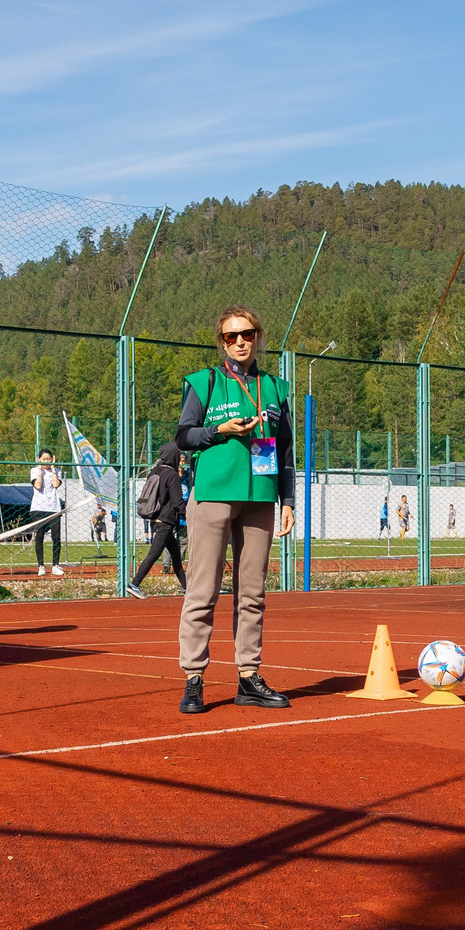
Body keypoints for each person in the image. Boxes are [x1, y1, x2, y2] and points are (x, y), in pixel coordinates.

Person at [175, 305, 297, 713]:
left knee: (253, 593)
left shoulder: (277, 389)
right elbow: (183, 438)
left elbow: (285, 452)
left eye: (247, 334)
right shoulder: (204, 382)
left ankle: (248, 677)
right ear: (222, 342)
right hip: (213, 495)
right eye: (231, 336)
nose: (240, 341)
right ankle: (194, 679)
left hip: (261, 498)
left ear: (258, 337)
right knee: (203, 590)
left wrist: (288, 501)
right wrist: (218, 431)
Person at [128, 440, 189, 595]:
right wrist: (189, 515)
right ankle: (135, 584)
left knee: (176, 556)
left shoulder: (154, 472)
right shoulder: (172, 475)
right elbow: (177, 502)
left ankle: (187, 587)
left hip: (154, 519)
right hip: (166, 521)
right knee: (154, 553)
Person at [28, 450, 67, 576]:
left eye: (49, 459)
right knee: (39, 537)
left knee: (56, 537)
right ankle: (41, 566)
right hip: (38, 508)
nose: (47, 461)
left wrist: (54, 469)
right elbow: (38, 486)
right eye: (44, 459)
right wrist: (40, 470)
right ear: (39, 459)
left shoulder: (57, 471)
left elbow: (56, 484)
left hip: (54, 508)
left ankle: (55, 564)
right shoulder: (34, 470)